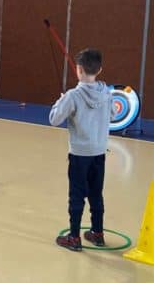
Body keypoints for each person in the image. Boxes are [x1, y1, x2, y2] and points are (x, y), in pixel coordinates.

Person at [48, 48, 112, 252]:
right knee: (96, 194)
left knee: (76, 195)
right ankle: (97, 233)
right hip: (99, 153)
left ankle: (74, 237)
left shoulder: (72, 96)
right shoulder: (107, 93)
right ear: (99, 70)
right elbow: (112, 115)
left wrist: (61, 102)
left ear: (79, 70)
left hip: (79, 155)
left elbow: (54, 119)